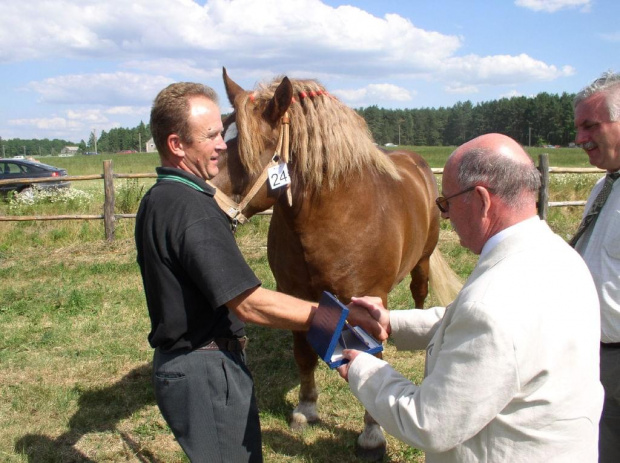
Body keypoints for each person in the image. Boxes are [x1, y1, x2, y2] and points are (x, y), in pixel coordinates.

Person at [135, 82, 383, 463]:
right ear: (176, 144)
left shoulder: (157, 197)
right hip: (207, 373)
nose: (224, 144)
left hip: (185, 367)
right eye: (213, 135)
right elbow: (251, 304)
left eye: (224, 132)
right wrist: (338, 320)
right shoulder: (194, 212)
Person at [337, 133, 604, 462]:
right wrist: (391, 322)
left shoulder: (493, 303)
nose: (444, 217)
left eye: (445, 203)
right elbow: (478, 323)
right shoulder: (561, 258)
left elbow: (429, 424)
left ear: (481, 200)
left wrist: (361, 367)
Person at [573, 71, 620, 463]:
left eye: (591, 125)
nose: (581, 138)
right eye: (578, 127)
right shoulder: (604, 186)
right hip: (594, 355)